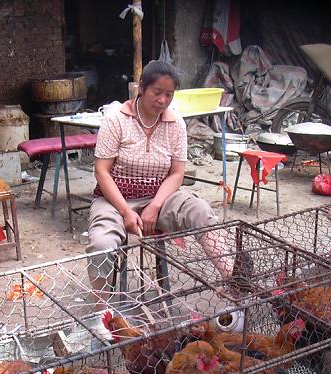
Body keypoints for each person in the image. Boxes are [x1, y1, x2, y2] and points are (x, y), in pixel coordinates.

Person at [87, 60, 232, 307]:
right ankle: (101, 311)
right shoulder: (116, 120)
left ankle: (234, 280)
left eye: (169, 94)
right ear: (141, 88)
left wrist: (155, 205)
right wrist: (124, 211)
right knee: (101, 242)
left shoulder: (176, 124)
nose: (163, 100)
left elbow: (176, 173)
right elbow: (101, 171)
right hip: (113, 200)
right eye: (157, 92)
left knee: (200, 211)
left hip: (160, 197)